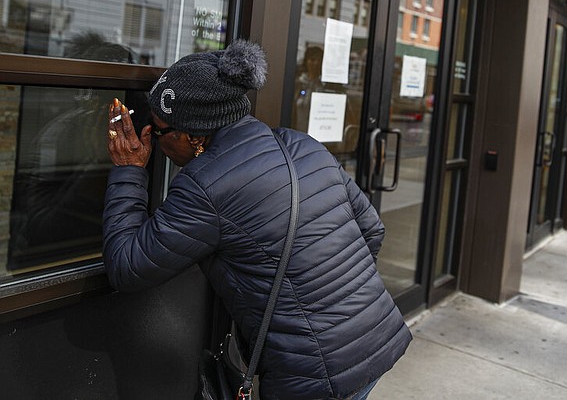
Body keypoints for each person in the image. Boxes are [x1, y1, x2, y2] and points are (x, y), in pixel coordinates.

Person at [103, 39, 411, 399]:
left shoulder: (205, 186)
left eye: (159, 131)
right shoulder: (303, 145)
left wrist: (129, 169)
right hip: (373, 337)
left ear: (193, 136)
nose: (155, 141)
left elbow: (127, 266)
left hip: (315, 372)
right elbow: (371, 228)